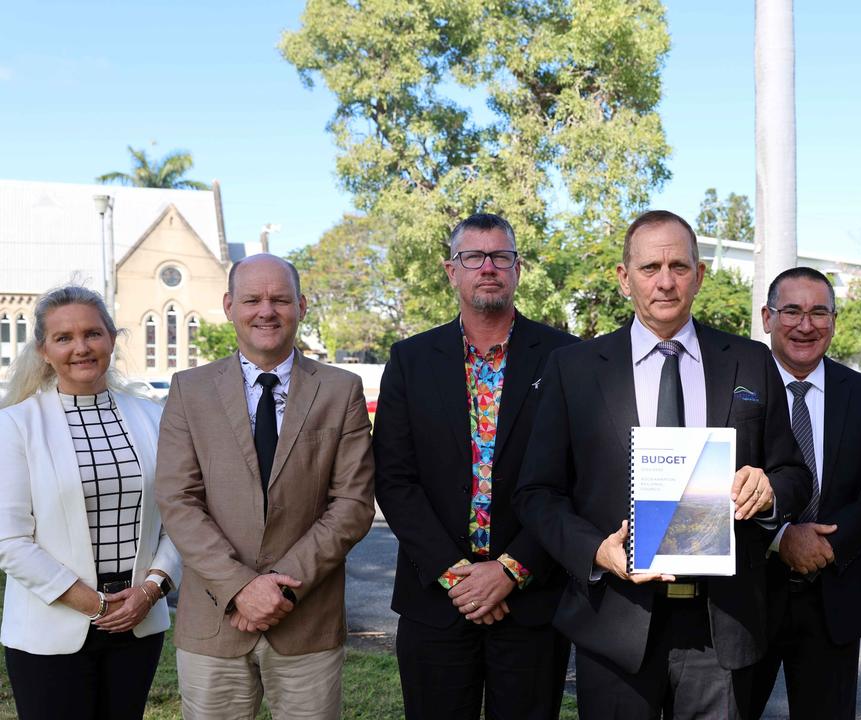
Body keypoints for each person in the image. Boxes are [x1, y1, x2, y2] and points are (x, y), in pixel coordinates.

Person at [513, 210, 810, 719]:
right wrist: (596, 552)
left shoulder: (751, 361)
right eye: (650, 267)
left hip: (723, 626)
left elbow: (795, 475)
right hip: (616, 622)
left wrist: (769, 490)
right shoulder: (575, 370)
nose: (666, 281)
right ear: (624, 278)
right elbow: (536, 493)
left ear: (699, 274)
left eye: (679, 266)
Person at [373, 213, 577, 719]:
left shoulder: (567, 359)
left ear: (517, 268)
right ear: (451, 270)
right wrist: (457, 574)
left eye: (500, 256)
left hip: (530, 601)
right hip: (435, 601)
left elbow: (575, 478)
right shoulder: (410, 360)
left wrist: (511, 569)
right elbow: (394, 480)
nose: (488, 267)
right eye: (473, 257)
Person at [155, 254, 375, 719]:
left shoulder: (341, 390)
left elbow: (352, 505)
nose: (266, 310)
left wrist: (281, 590)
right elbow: (178, 500)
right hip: (214, 622)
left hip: (306, 622)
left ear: (302, 305)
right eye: (252, 299)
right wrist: (240, 588)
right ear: (230, 305)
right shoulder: (188, 389)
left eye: (280, 299)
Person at [0, 285, 180, 719]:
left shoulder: (154, 417)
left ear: (112, 339)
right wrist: (95, 604)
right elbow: (10, 541)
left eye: (92, 334)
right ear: (44, 350)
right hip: (51, 628)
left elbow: (181, 518)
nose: (81, 348)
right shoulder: (16, 425)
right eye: (64, 338)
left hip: (139, 622)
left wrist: (151, 590)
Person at [746, 267, 861, 719]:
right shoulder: (732, 389)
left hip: (836, 593)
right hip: (749, 592)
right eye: (791, 311)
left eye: (818, 312)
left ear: (833, 319)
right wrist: (779, 537)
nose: (805, 325)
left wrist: (827, 543)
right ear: (768, 317)